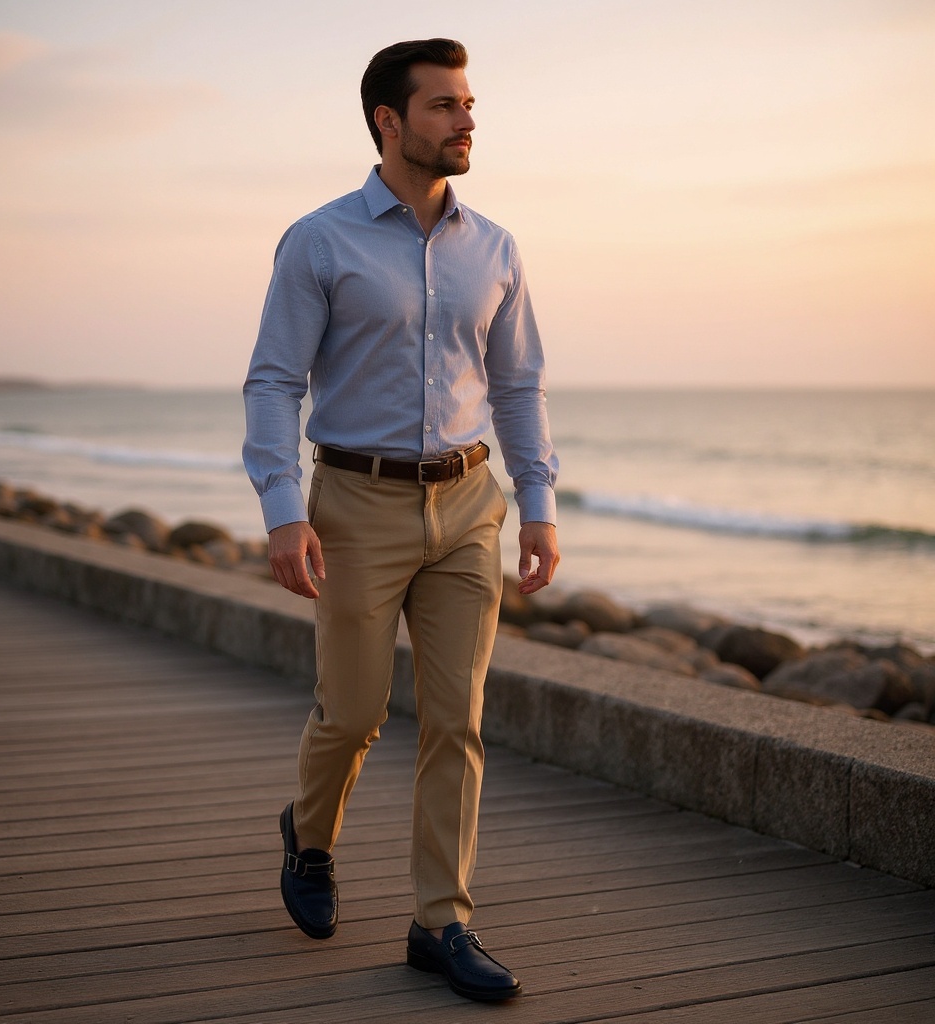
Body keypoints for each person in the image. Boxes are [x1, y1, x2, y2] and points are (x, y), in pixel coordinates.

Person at [242, 37, 559, 1003]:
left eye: (469, 104)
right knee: (355, 712)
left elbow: (518, 385)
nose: (467, 120)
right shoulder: (320, 240)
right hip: (354, 505)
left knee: (457, 721)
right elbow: (273, 382)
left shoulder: (496, 247)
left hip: (468, 507)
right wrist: (283, 510)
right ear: (389, 121)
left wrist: (537, 503)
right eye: (444, 106)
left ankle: (441, 923)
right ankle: (311, 835)